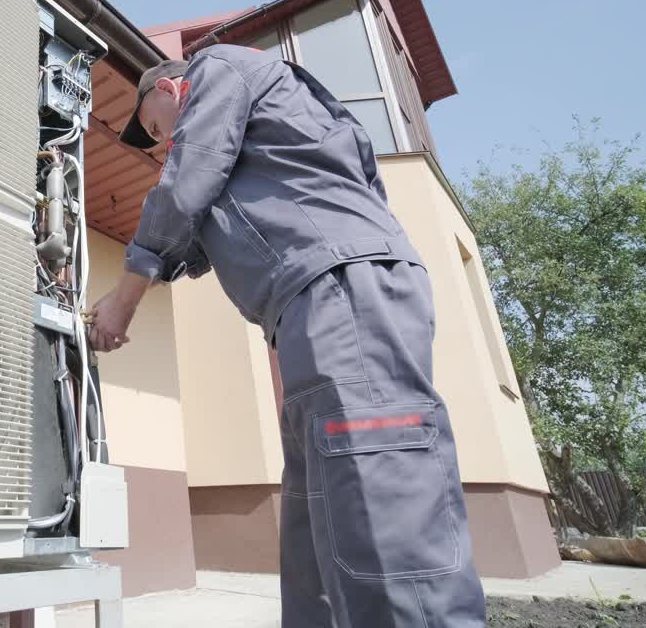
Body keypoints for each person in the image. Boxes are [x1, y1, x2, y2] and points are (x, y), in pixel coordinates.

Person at [88, 45, 486, 627]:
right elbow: (194, 229)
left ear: (171, 90)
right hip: (316, 308)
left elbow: (188, 178)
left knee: (379, 499)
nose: (164, 142)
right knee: (317, 522)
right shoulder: (266, 140)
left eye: (156, 127)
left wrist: (124, 299)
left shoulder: (217, 69)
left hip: (339, 292)